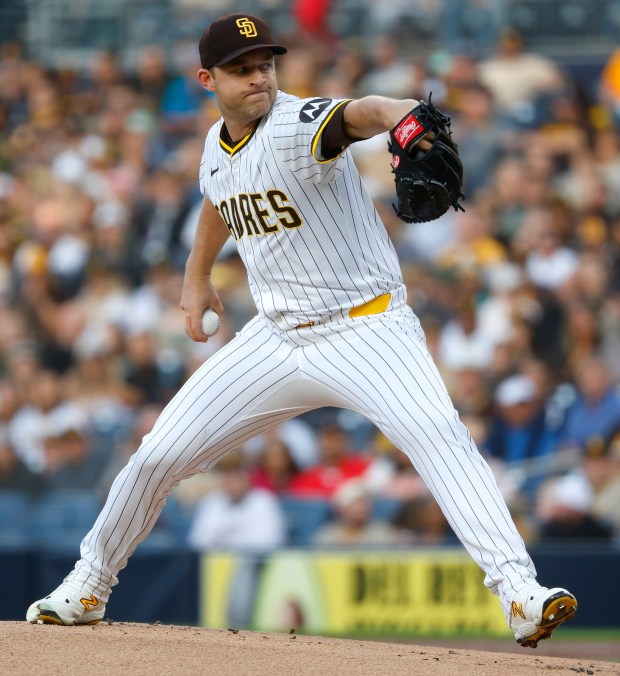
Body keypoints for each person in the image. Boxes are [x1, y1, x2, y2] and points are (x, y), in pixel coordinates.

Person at [26, 13, 577, 648]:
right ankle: (88, 584)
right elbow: (216, 197)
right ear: (207, 79)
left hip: (366, 329)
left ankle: (520, 593)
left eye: (265, 63)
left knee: (439, 438)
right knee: (157, 455)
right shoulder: (215, 145)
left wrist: (403, 114)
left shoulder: (295, 122)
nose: (259, 76)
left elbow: (359, 113)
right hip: (276, 336)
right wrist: (195, 278)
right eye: (241, 68)